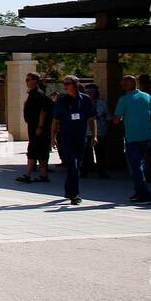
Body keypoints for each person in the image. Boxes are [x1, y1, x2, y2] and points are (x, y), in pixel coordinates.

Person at [112, 75, 151, 204]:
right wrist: (146, 123)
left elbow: (116, 119)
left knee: (135, 166)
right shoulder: (146, 96)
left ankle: (144, 194)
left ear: (127, 85)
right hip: (147, 136)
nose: (122, 86)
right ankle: (138, 191)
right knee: (139, 163)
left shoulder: (124, 99)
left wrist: (118, 119)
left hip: (132, 137)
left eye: (123, 84)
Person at [51, 75, 95, 205]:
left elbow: (92, 119)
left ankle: (68, 188)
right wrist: (52, 138)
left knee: (76, 165)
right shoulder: (61, 100)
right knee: (73, 164)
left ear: (76, 84)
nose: (65, 85)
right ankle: (75, 194)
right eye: (64, 83)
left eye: (68, 83)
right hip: (66, 136)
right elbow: (55, 121)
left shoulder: (86, 99)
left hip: (81, 136)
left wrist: (94, 135)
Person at [17, 72, 53, 183]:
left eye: (29, 79)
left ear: (35, 81)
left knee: (34, 149)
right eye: (26, 80)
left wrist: (40, 126)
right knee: (39, 150)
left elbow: (44, 111)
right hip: (34, 127)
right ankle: (43, 174)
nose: (26, 82)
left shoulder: (38, 94)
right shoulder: (33, 94)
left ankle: (28, 174)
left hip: (39, 128)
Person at [83, 84, 111, 179]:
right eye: (87, 92)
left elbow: (108, 117)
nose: (89, 94)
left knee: (101, 153)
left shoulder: (102, 103)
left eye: (91, 92)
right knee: (85, 153)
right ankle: (84, 171)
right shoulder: (82, 103)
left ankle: (102, 171)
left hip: (100, 131)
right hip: (86, 132)